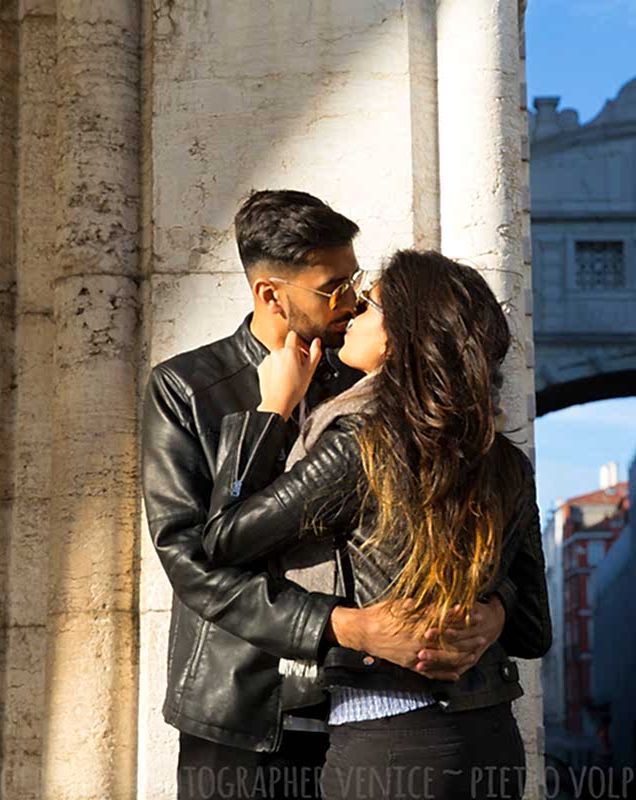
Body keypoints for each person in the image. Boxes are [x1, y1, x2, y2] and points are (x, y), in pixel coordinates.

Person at [140, 191, 518, 800]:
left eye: (355, 281)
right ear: (270, 294)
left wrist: (492, 605)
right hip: (246, 706)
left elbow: (471, 521)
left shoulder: (379, 376)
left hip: (375, 709)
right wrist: (343, 626)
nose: (352, 301)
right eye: (332, 288)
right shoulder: (187, 388)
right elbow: (191, 560)